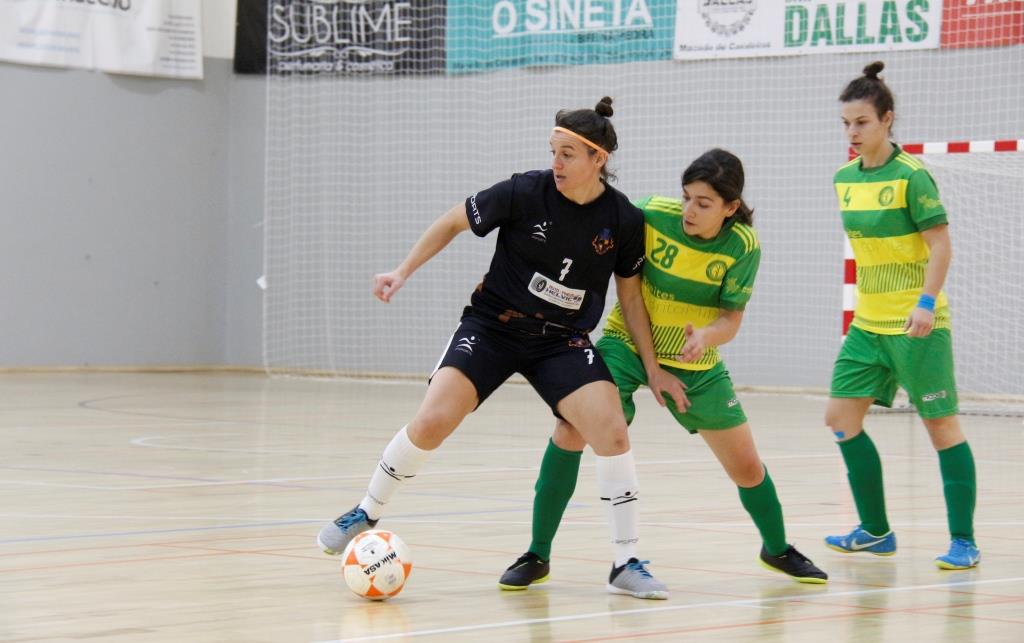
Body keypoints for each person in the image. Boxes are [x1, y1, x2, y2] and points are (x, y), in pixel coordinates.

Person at [317, 97, 687, 599]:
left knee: (612, 431)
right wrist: (402, 271)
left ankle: (625, 562)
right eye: (553, 151)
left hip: (561, 341)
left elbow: (631, 297)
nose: (555, 163)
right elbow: (452, 222)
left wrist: (654, 368)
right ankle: (366, 510)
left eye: (567, 155)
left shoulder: (622, 219)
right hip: (493, 326)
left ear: (598, 159)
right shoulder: (523, 190)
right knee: (432, 420)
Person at [498, 149, 828, 592]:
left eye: (704, 203)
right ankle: (537, 553)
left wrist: (706, 337)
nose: (690, 210)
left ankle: (777, 548)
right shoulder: (653, 215)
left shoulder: (743, 246)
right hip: (627, 346)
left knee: (747, 467)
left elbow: (731, 318)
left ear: (730, 208)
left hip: (696, 363)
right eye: (687, 197)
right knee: (570, 430)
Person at [823, 62, 979, 570]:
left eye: (862, 122)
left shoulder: (913, 176)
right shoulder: (844, 178)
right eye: (846, 123)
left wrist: (926, 304)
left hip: (918, 325)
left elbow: (941, 247)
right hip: (868, 326)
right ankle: (875, 530)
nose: (852, 132)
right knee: (841, 419)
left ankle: (964, 541)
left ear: (887, 120)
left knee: (941, 428)